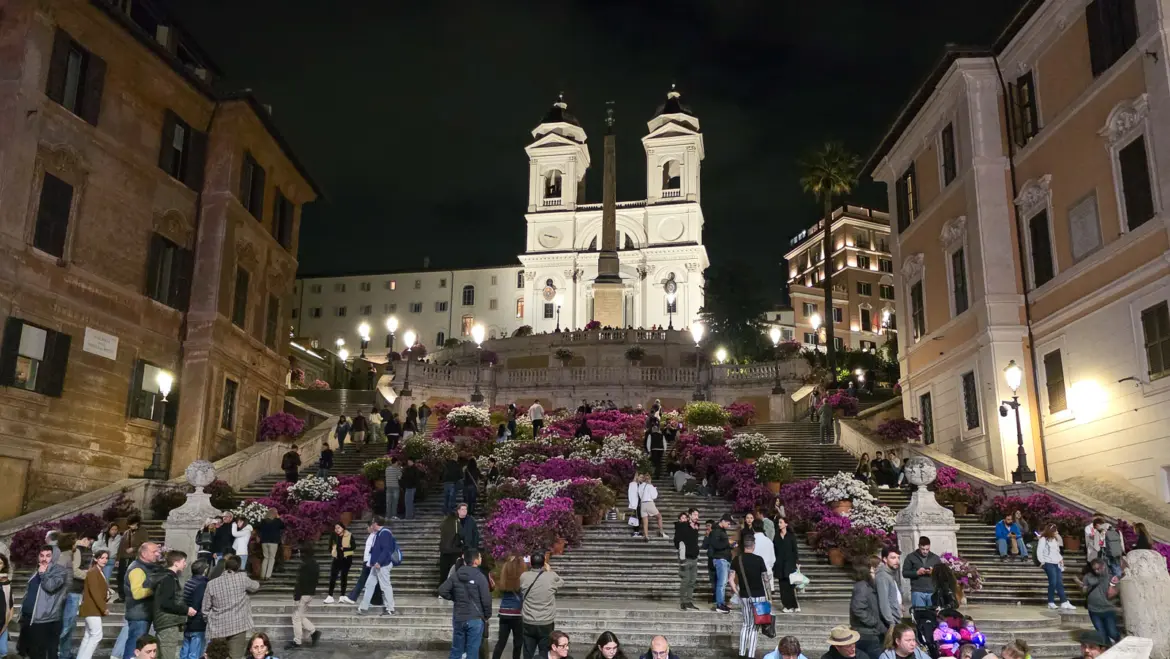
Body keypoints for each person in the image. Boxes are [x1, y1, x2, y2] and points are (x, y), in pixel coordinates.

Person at [202, 555, 260, 658]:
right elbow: (256, 586)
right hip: (238, 624)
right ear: (238, 567)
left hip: (217, 626)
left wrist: (209, 621)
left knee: (217, 656)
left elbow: (205, 609)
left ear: (225, 566)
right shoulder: (242, 578)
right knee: (236, 656)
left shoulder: (212, 583)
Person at [439, 548, 492, 659]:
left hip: (459, 617)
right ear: (476, 561)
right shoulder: (480, 577)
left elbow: (442, 590)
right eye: (480, 557)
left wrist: (455, 598)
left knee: (457, 649)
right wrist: (487, 615)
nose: (481, 559)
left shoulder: (456, 575)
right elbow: (486, 599)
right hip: (475, 619)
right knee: (472, 651)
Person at [25, 544, 70, 659]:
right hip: (33, 618)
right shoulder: (38, 570)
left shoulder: (59, 571)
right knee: (34, 652)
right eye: (42, 555)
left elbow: (51, 586)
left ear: (53, 557)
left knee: (48, 652)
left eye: (48, 556)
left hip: (48, 619)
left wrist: (43, 573)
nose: (44, 558)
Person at [729, 535, 769, 659]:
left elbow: (730, 580)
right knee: (755, 626)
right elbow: (766, 579)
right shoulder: (759, 559)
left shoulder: (737, 560)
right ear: (753, 546)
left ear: (744, 546)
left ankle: (741, 653)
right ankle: (750, 654)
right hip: (759, 596)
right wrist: (770, 597)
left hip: (745, 596)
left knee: (746, 624)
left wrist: (737, 592)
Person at [121, 541, 163, 656]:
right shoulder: (137, 569)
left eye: (157, 551)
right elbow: (137, 593)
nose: (157, 554)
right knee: (135, 646)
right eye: (154, 552)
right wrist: (155, 590)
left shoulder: (147, 567)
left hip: (143, 613)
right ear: (144, 554)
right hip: (138, 615)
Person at [519, 552, 564, 659]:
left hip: (528, 620)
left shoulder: (524, 576)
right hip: (546, 621)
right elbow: (561, 582)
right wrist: (549, 570)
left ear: (530, 563)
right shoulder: (551, 576)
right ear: (544, 563)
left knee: (528, 651)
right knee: (545, 652)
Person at [152, 550, 194, 659]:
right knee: (167, 655)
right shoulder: (168, 578)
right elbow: (166, 603)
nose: (185, 564)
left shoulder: (168, 577)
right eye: (183, 561)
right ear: (176, 563)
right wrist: (186, 610)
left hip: (165, 622)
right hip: (167, 623)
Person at [61, 532, 94, 659]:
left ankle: (65, 653)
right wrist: (89, 575)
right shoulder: (77, 552)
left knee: (70, 626)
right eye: (89, 541)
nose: (90, 544)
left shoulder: (78, 551)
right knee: (67, 625)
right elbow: (74, 570)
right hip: (72, 591)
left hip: (75, 591)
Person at [357, 516, 398, 616]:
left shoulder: (384, 533)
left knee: (385, 586)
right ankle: (364, 607)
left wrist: (379, 561)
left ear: (375, 523)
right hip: (376, 565)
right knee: (369, 584)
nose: (371, 525)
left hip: (382, 564)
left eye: (372, 523)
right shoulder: (379, 533)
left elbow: (386, 549)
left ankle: (390, 608)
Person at [850, 557, 887, 659]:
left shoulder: (867, 585)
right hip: (867, 634)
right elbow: (858, 609)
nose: (873, 570)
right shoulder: (861, 586)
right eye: (870, 568)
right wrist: (874, 622)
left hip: (872, 632)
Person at [76, 550, 110, 659]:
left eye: (106, 558)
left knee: (88, 635)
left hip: (92, 608)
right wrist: (104, 608)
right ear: (96, 559)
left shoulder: (98, 571)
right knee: (97, 635)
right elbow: (94, 592)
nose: (105, 560)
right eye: (102, 558)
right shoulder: (93, 572)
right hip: (92, 608)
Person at [288, 543, 321, 650]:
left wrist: (296, 597)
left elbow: (300, 583)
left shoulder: (304, 566)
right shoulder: (315, 564)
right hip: (310, 593)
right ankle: (314, 632)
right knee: (300, 616)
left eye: (299, 552)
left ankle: (297, 641)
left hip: (303, 594)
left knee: (296, 617)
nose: (298, 554)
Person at [492, 556, 525, 659]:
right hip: (517, 614)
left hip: (504, 613)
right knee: (518, 643)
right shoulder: (522, 582)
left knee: (501, 642)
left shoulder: (504, 580)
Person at [1037, 523, 1076, 611]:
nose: (1057, 532)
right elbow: (1039, 551)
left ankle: (1064, 601)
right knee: (1053, 582)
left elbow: (1057, 551)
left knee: (1059, 583)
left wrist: (1060, 559)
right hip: (1048, 563)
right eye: (1055, 531)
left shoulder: (1054, 540)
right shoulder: (1043, 539)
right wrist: (1042, 562)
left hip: (1056, 563)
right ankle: (1050, 602)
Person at [1082, 559, 1120, 645]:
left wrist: (1114, 590)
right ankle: (1106, 649)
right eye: (1094, 569)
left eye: (1099, 568)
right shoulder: (1088, 577)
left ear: (1104, 566)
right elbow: (1083, 591)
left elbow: (1117, 592)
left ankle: (1119, 642)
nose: (1097, 571)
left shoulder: (1112, 578)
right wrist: (1084, 588)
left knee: (1112, 632)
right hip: (1093, 609)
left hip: (1108, 609)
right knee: (1101, 634)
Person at [340, 520, 378, 605]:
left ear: (372, 527)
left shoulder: (376, 536)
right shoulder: (371, 536)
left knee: (362, 579)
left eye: (368, 527)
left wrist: (370, 561)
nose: (367, 529)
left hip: (370, 561)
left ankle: (352, 597)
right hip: (367, 561)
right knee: (375, 581)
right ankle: (377, 600)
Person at [179, 560, 210, 659]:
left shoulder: (189, 581)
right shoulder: (202, 584)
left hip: (188, 622)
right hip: (198, 622)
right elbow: (197, 604)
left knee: (185, 652)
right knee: (195, 654)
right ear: (204, 571)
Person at [901, 536, 940, 610]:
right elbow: (904, 573)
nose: (925, 551)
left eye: (927, 549)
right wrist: (917, 573)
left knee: (932, 616)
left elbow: (941, 574)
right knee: (920, 615)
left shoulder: (935, 558)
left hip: (932, 592)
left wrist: (933, 572)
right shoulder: (910, 557)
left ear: (930, 547)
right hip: (917, 592)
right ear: (918, 546)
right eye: (923, 549)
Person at [674, 508, 701, 611]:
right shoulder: (683, 526)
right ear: (689, 515)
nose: (697, 517)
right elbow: (678, 542)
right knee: (685, 580)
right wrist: (682, 557)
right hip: (685, 558)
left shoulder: (696, 526)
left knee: (692, 581)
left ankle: (689, 601)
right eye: (694, 515)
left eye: (697, 515)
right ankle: (682, 602)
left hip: (694, 558)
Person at [117, 515, 148, 602]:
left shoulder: (143, 532)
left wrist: (134, 548)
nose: (130, 526)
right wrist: (117, 559)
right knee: (121, 577)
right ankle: (121, 596)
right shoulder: (127, 532)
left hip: (135, 557)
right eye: (129, 525)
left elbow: (145, 544)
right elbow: (121, 546)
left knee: (133, 577)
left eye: (132, 524)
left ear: (137, 523)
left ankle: (132, 596)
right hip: (124, 557)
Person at [708, 514, 735, 614]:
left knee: (723, 583)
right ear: (723, 521)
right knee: (721, 583)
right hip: (720, 559)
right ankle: (719, 604)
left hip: (725, 559)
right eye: (728, 523)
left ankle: (721, 603)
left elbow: (721, 545)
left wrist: (730, 545)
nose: (729, 525)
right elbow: (716, 545)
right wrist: (728, 543)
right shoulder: (716, 531)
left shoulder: (721, 531)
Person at [324, 523, 354, 604]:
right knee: (333, 576)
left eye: (338, 527)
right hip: (336, 558)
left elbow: (353, 546)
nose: (337, 529)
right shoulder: (334, 536)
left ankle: (342, 596)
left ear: (343, 528)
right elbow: (330, 546)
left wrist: (344, 548)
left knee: (344, 577)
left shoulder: (349, 535)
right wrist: (333, 551)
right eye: (335, 528)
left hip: (346, 559)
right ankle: (330, 596)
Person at [875, 548, 902, 630]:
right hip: (890, 622)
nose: (897, 561)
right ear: (885, 559)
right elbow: (884, 602)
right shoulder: (883, 576)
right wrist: (891, 622)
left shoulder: (890, 573)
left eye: (898, 558)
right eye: (893, 558)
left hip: (895, 618)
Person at [256, 509, 284, 581]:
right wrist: (278, 517)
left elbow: (258, 528)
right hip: (273, 542)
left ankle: (262, 575)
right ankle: (268, 575)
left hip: (264, 542)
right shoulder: (277, 521)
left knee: (266, 557)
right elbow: (283, 526)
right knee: (271, 558)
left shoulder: (263, 521)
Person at [634, 474, 664, 540]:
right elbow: (654, 496)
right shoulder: (650, 486)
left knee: (645, 521)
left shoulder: (640, 486)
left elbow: (639, 495)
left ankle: (646, 536)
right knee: (659, 517)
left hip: (643, 505)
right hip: (649, 503)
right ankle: (661, 531)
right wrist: (654, 488)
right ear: (649, 479)